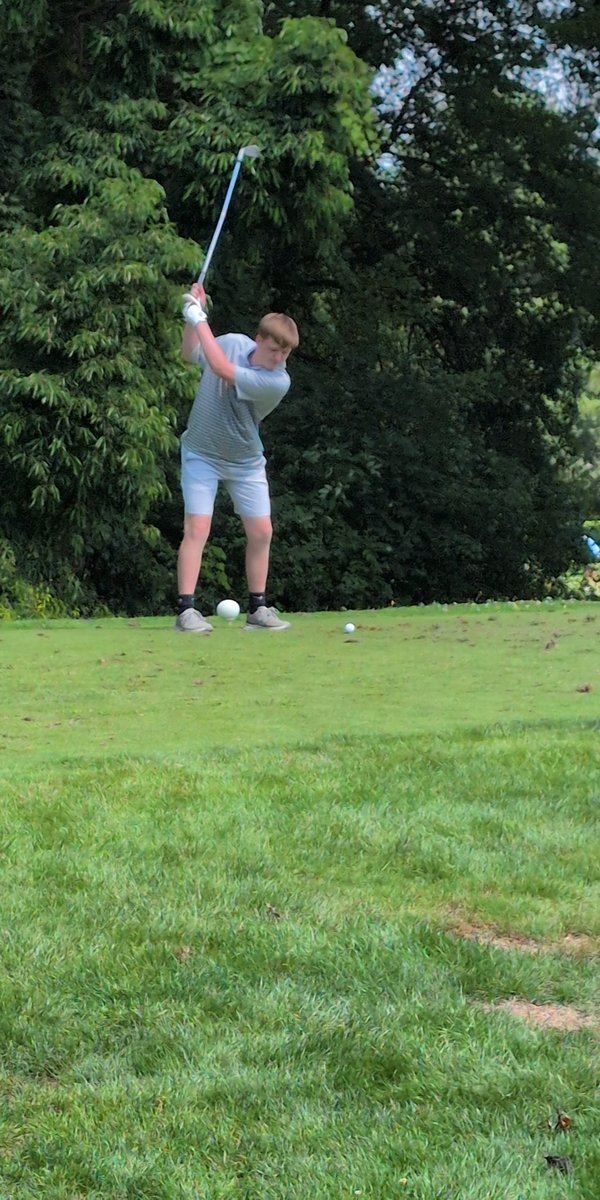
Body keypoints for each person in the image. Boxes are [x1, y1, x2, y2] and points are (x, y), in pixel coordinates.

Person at [175, 281, 299, 633]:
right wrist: (191, 320)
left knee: (262, 532)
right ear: (258, 340)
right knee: (197, 527)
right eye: (274, 350)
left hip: (244, 461)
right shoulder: (230, 343)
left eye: (285, 354)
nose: (279, 359)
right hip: (201, 452)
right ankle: (186, 611)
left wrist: (200, 318)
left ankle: (258, 610)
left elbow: (223, 371)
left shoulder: (277, 382)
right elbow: (191, 354)